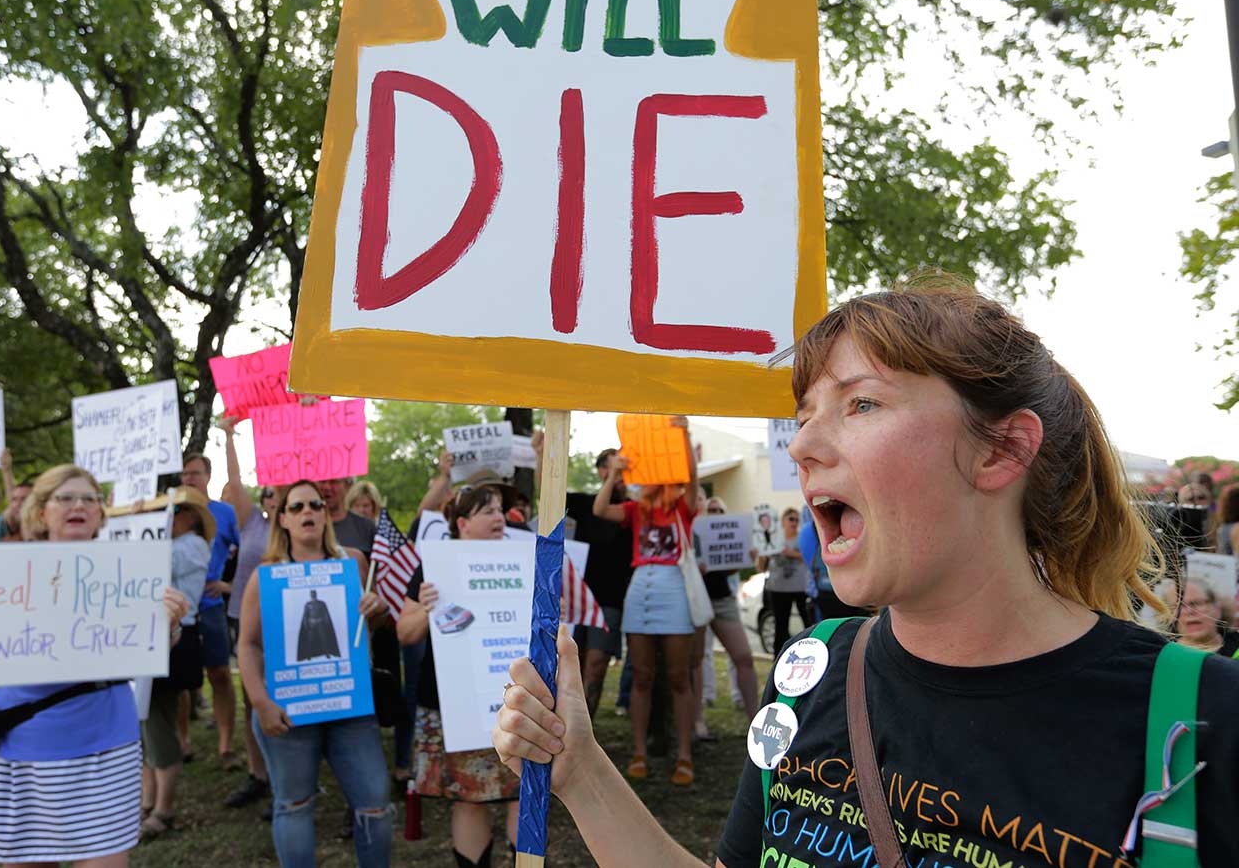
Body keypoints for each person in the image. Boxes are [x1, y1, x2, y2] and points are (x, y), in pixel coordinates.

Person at [494, 283, 1239, 867]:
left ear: (1001, 451)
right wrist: (580, 769)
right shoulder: (810, 674)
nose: (805, 444)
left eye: (861, 402)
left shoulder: (1207, 722)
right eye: (806, 412)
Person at [0, 464, 189, 866]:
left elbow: (150, 649)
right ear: (41, 511)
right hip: (23, 744)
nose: (77, 505)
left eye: (88, 498)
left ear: (100, 512)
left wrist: (169, 626)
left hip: (105, 744)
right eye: (65, 498)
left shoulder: (128, 569)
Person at [235, 480, 393, 868]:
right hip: (288, 710)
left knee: (375, 804)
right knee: (293, 805)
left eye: (316, 505)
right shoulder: (265, 576)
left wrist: (378, 609)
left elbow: (366, 629)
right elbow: (248, 646)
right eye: (298, 506)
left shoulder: (353, 562)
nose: (308, 512)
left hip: (350, 705)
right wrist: (260, 702)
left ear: (326, 515)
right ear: (283, 519)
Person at [397, 483, 521, 868]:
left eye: (501, 509)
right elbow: (406, 632)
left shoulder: (520, 561)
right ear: (463, 523)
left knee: (523, 794)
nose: (499, 517)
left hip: (513, 702)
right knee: (469, 798)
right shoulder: (434, 566)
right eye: (488, 511)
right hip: (455, 705)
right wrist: (425, 608)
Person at [591, 417, 700, 787]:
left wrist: (683, 435)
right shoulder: (637, 511)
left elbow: (693, 480)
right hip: (640, 589)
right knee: (641, 676)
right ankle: (638, 751)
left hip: (673, 588)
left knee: (678, 677)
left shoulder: (683, 507)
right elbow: (600, 510)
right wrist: (613, 475)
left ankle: (684, 755)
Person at [533, 439, 634, 717]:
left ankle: (588, 725)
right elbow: (549, 492)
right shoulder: (587, 503)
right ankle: (568, 718)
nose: (624, 471)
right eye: (616, 466)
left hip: (611, 600)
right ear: (603, 470)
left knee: (598, 663)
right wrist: (541, 454)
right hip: (578, 600)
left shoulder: (632, 509)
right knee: (572, 661)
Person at [139, 487, 214, 840]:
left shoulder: (194, 546)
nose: (166, 520)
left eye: (171, 513)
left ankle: (163, 808)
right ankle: (148, 800)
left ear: (189, 518)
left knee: (158, 720)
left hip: (176, 637)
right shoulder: (172, 544)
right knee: (146, 722)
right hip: (151, 635)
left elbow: (154, 566)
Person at [215, 417, 275, 809]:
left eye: (277, 492)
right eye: (265, 492)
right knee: (252, 698)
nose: (272, 497)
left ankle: (289, 775)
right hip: (245, 619)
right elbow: (236, 483)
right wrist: (229, 437)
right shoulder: (250, 522)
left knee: (284, 698)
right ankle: (258, 774)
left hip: (289, 623)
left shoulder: (295, 525)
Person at [179, 452, 241, 768]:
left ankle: (226, 746)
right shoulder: (169, 514)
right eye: (184, 474)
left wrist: (230, 587)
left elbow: (249, 552)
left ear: (208, 476)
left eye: (195, 473)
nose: (188, 479)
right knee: (178, 681)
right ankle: (182, 742)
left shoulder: (225, 513)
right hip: (177, 608)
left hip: (212, 605)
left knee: (219, 673)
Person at [690, 496, 759, 740]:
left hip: (722, 599)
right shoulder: (693, 532)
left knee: (744, 657)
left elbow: (726, 566)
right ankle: (697, 721)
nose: (717, 512)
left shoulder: (729, 532)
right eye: (712, 509)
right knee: (696, 660)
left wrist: (744, 557)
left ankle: (756, 721)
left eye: (721, 509)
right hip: (696, 598)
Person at [762, 507, 813, 652]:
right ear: (783, 521)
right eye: (791, 518)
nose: (794, 522)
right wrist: (761, 555)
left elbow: (809, 557)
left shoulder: (802, 537)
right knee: (781, 626)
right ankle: (778, 658)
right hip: (778, 589)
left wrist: (791, 553)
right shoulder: (773, 540)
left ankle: (810, 652)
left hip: (800, 588)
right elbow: (761, 566)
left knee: (808, 623)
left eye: (797, 519)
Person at [1175, 577, 1239, 657]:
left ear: (1217, 609)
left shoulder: (1236, 645)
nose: (1189, 611)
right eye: (1180, 605)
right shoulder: (1161, 654)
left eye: (1197, 603)